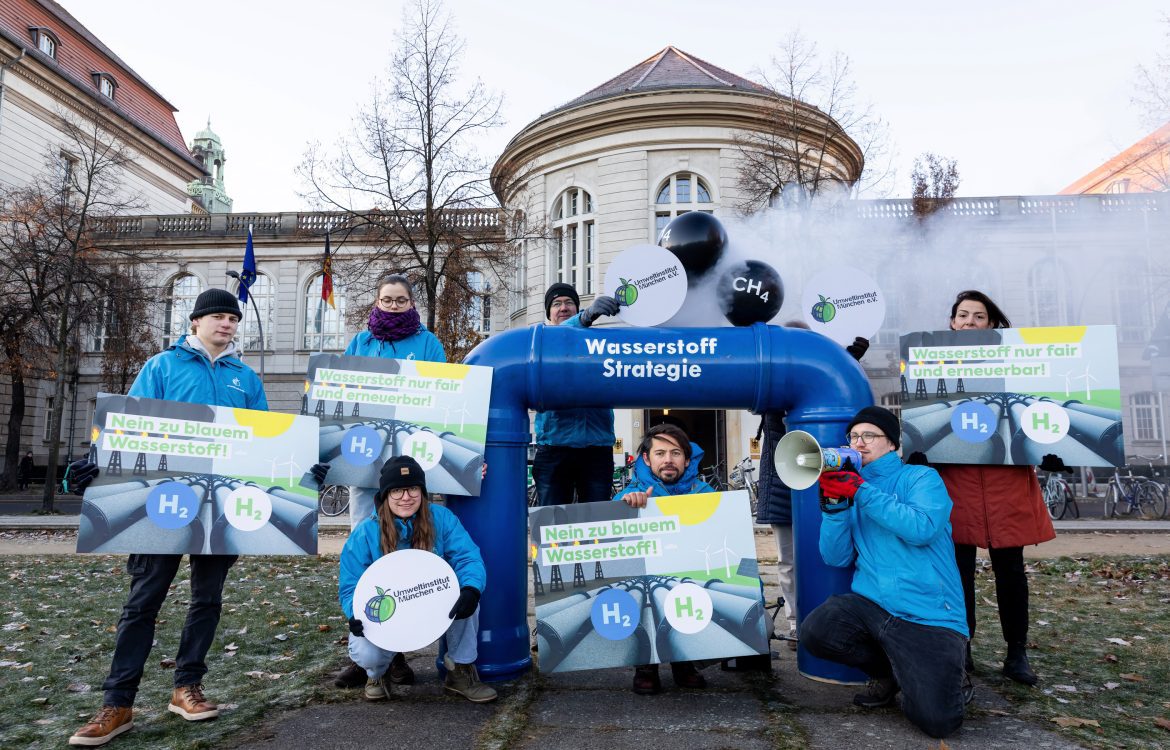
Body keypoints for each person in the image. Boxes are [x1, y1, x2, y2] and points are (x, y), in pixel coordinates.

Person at [69, 288, 268, 747]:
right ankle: (118, 703)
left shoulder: (245, 377)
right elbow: (130, 426)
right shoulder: (162, 367)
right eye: (218, 316)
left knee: (207, 601)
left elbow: (263, 440)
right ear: (195, 322)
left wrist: (300, 468)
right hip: (162, 503)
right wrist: (97, 459)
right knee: (142, 603)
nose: (227, 325)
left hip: (220, 507)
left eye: (233, 319)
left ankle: (186, 688)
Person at [800, 406, 967, 739]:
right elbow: (835, 557)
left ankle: (947, 678)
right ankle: (890, 673)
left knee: (938, 723)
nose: (859, 443)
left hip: (929, 614)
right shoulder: (854, 488)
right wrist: (834, 509)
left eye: (869, 436)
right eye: (853, 436)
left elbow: (921, 528)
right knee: (816, 631)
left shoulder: (920, 478)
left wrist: (861, 491)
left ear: (891, 444)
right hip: (874, 606)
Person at [935, 290, 1055, 685]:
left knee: (1011, 571)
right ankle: (961, 648)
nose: (969, 322)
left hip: (1006, 481)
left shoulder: (1018, 364)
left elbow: (1037, 409)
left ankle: (1016, 653)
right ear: (952, 323)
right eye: (963, 316)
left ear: (992, 324)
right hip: (958, 483)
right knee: (959, 572)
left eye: (978, 317)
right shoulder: (932, 365)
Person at [334, 274, 446, 690]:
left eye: (401, 300)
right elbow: (340, 401)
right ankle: (365, 656)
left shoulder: (429, 343)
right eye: (387, 299)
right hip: (364, 469)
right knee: (365, 554)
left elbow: (443, 398)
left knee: (409, 554)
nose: (394, 305)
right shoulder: (361, 343)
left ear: (411, 302)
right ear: (377, 301)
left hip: (408, 469)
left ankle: (398, 653)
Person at [339, 455, 496, 703]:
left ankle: (460, 672)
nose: (406, 497)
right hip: (389, 609)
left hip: (430, 604)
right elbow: (350, 585)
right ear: (385, 495)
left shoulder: (441, 519)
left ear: (422, 492)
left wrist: (471, 589)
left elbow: (468, 558)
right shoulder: (366, 532)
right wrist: (353, 613)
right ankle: (377, 673)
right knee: (366, 653)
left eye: (412, 488)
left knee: (467, 600)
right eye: (397, 490)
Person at [754, 327, 870, 652]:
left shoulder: (815, 377)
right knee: (789, 562)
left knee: (826, 555)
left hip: (821, 483)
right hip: (782, 484)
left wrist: (848, 362)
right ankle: (795, 624)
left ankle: (827, 623)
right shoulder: (774, 388)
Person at [614, 423, 715, 695]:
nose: (668, 460)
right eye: (660, 453)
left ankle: (685, 660)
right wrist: (628, 507)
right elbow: (611, 544)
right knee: (640, 590)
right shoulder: (630, 494)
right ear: (647, 459)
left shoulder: (706, 496)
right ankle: (646, 665)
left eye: (676, 453)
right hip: (647, 578)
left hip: (687, 577)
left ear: (686, 458)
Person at [532, 282, 620, 506]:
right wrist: (585, 317)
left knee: (596, 522)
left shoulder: (598, 343)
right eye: (557, 304)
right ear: (549, 315)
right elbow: (558, 337)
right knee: (551, 522)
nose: (563, 307)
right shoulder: (542, 340)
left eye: (569, 303)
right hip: (554, 447)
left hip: (597, 447)